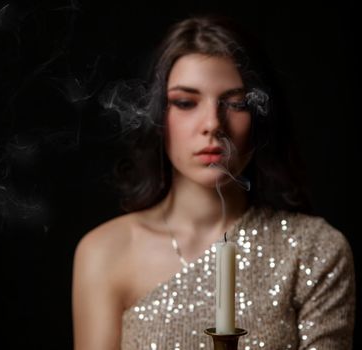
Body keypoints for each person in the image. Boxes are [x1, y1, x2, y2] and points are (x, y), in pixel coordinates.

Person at [72, 14, 355, 350]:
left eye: (236, 104)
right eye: (186, 102)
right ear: (158, 116)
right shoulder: (105, 251)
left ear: (260, 118)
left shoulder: (314, 250)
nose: (212, 124)